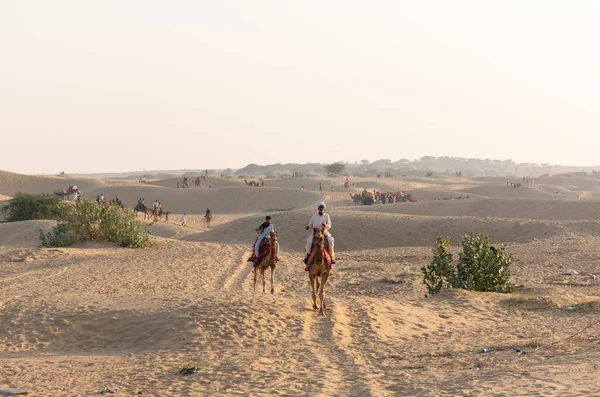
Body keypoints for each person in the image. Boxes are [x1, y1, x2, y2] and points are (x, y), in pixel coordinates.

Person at [303, 201, 335, 269]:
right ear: (318, 208)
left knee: (330, 240)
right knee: (309, 241)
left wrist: (325, 225)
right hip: (315, 232)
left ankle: (331, 257)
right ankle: (307, 255)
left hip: (324, 232)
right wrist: (308, 227)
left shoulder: (326, 216)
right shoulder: (314, 216)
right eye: (320, 207)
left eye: (322, 207)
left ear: (324, 208)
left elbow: (330, 225)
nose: (321, 208)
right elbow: (311, 224)